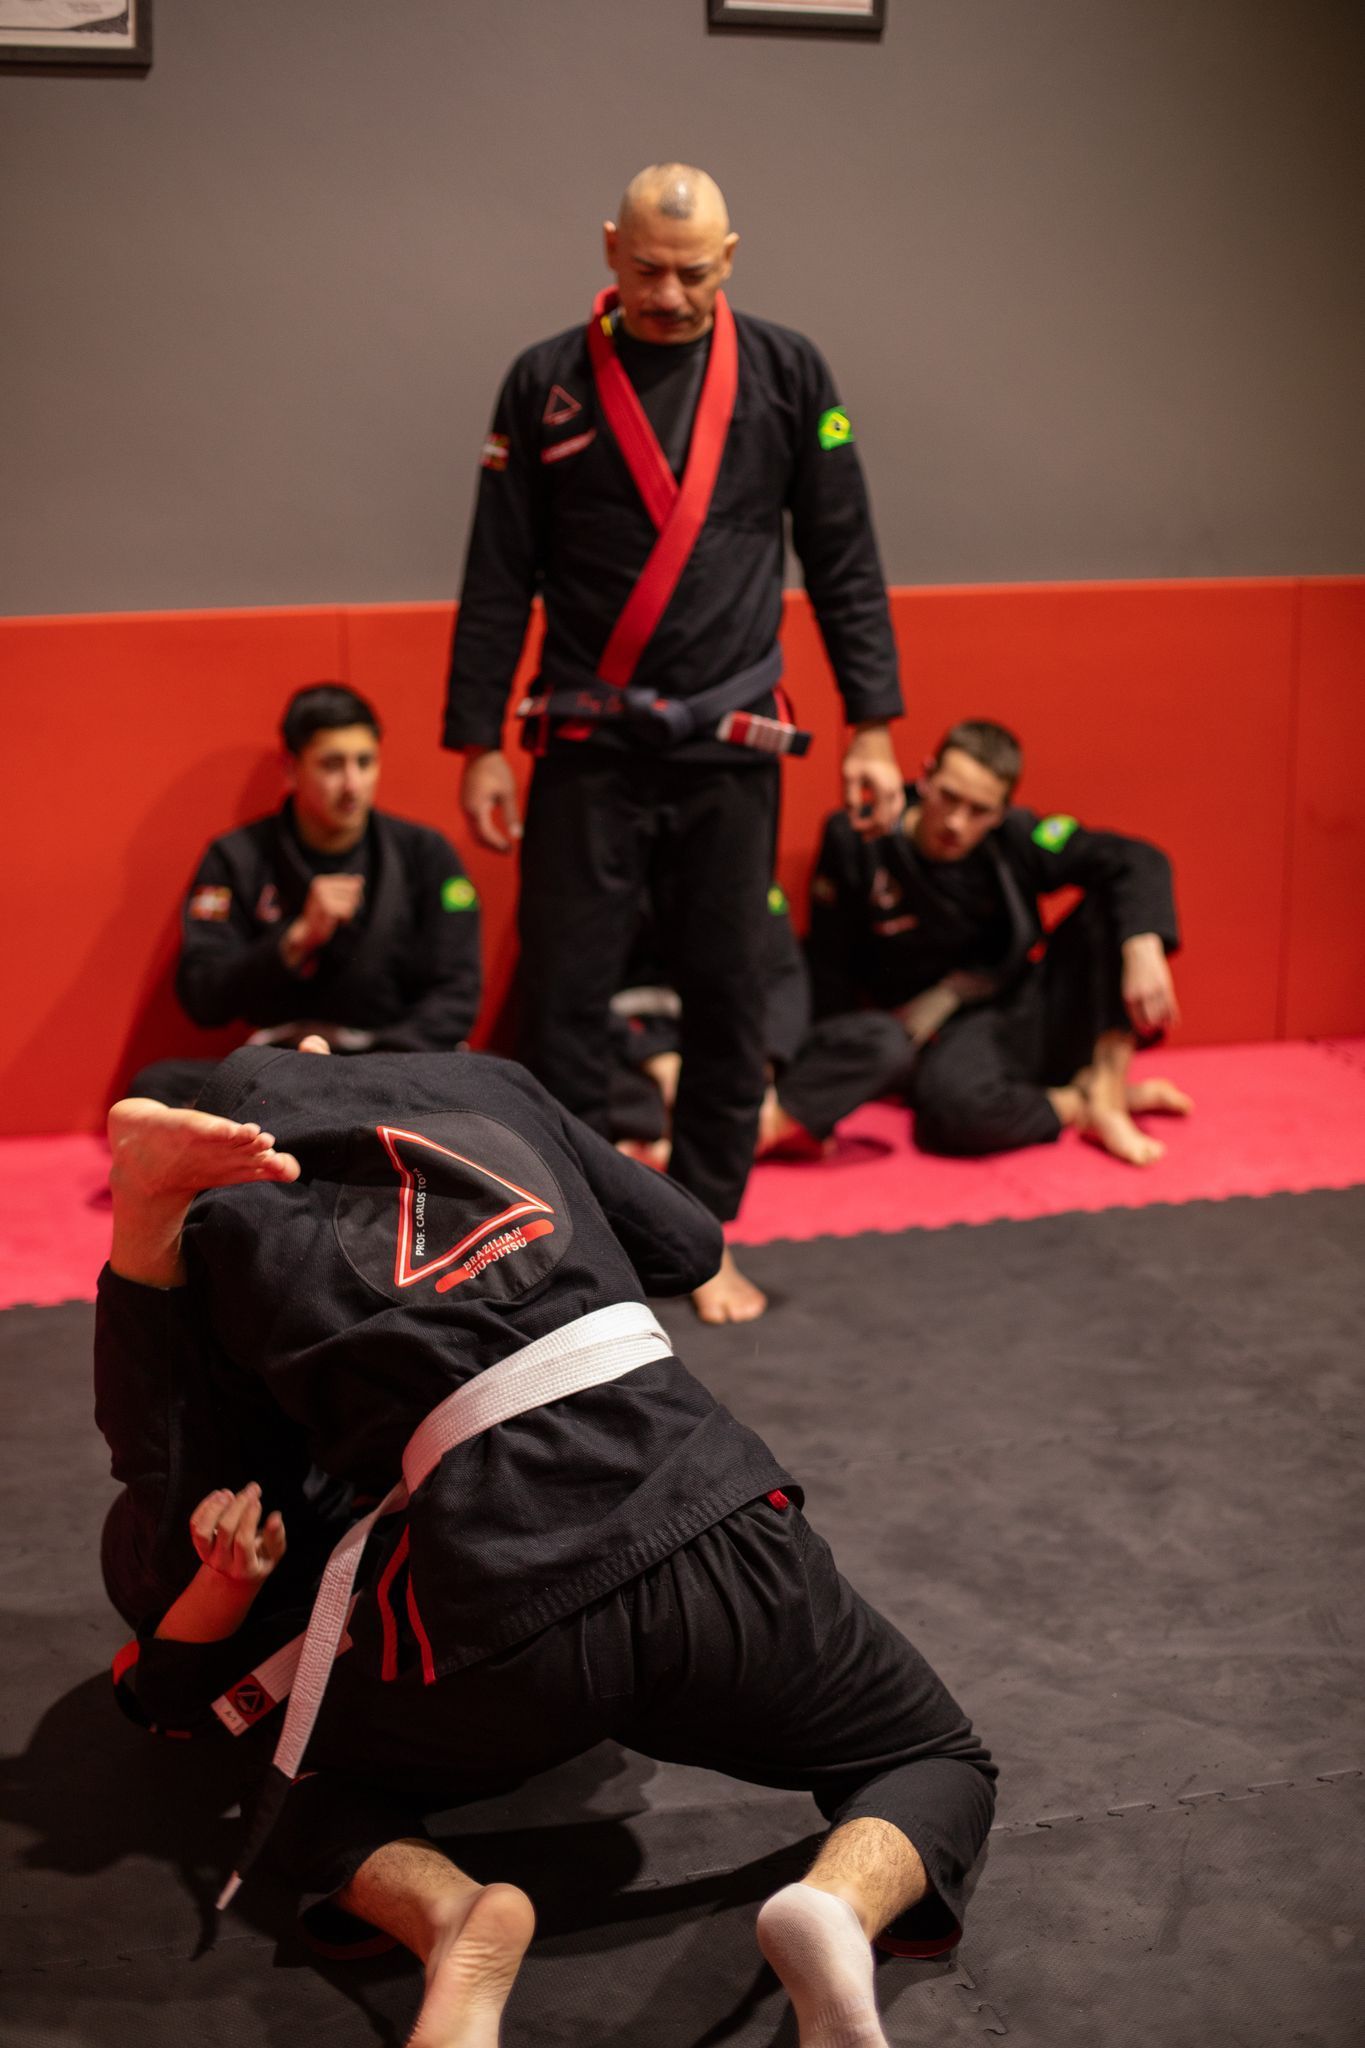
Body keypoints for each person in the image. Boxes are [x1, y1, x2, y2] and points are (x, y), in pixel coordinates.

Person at [97, 1042, 996, 2047]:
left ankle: (452, 1916)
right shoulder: (484, 1076)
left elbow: (188, 1479)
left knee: (310, 1785)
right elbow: (689, 1243)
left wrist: (160, 1263)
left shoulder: (217, 1224)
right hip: (713, 1514)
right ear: (316, 1049)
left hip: (499, 1597)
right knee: (931, 1753)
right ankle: (834, 1905)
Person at [441, 163, 905, 1325]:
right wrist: (476, 740)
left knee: (728, 993)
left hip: (730, 744)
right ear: (609, 249)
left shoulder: (791, 375)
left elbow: (844, 558)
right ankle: (559, 1235)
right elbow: (499, 571)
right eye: (646, 267)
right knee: (562, 996)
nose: (670, 291)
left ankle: (704, 1239)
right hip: (589, 740)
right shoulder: (545, 380)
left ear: (732, 257)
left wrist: (876, 728)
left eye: (694, 271)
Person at [760, 720, 1188, 1166]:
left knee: (1118, 899)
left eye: (979, 810)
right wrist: (835, 1073)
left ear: (1001, 812)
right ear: (925, 777)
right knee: (953, 1115)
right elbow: (828, 965)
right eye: (948, 796)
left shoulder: (1018, 838)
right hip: (934, 1034)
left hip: (1018, 1006)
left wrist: (1143, 945)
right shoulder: (859, 839)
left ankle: (1108, 1090)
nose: (956, 822)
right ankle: (1078, 1103)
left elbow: (1139, 859)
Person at [132, 684, 482, 1106]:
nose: (352, 784)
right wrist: (294, 940)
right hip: (281, 1070)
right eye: (332, 765)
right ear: (291, 767)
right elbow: (203, 995)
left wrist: (376, 1064)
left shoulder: (426, 854)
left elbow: (457, 993)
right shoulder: (236, 859)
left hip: (393, 1063)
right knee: (156, 1089)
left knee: (496, 1082)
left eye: (365, 762)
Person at [607, 883, 810, 1168]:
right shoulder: (616, 871)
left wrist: (760, 1069)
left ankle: (746, 1126)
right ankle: (746, 1133)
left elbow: (785, 978)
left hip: (734, 1049)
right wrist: (655, 1058)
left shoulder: (742, 872)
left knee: (878, 1042)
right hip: (641, 1046)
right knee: (566, 1076)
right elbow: (579, 994)